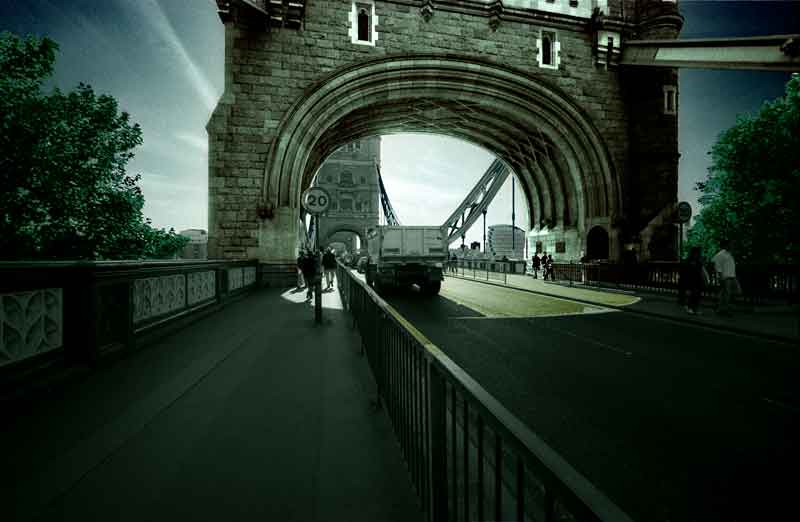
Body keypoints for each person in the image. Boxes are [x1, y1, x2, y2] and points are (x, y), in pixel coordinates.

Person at [711, 239, 737, 316]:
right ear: (725, 245)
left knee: (724, 293)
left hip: (731, 276)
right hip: (725, 277)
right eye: (730, 244)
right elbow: (717, 265)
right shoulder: (720, 254)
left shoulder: (729, 254)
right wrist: (720, 276)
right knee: (726, 294)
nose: (731, 246)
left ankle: (720, 308)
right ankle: (724, 309)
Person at [683, 246, 709, 315]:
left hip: (698, 280)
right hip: (691, 280)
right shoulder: (688, 260)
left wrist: (704, 280)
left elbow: (701, 270)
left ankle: (696, 308)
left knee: (698, 295)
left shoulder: (698, 261)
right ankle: (690, 307)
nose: (697, 254)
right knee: (692, 294)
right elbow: (686, 272)